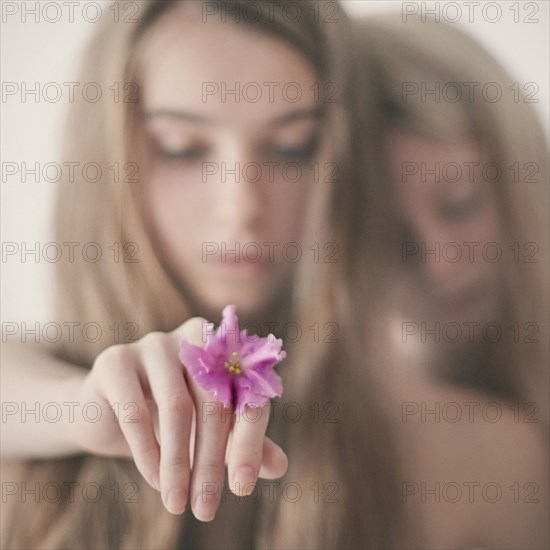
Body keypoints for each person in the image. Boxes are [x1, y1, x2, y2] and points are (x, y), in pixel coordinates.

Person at [1, 1, 355, 548]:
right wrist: (78, 407)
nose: (241, 207)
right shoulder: (24, 465)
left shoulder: (457, 454)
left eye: (292, 147)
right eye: (182, 148)